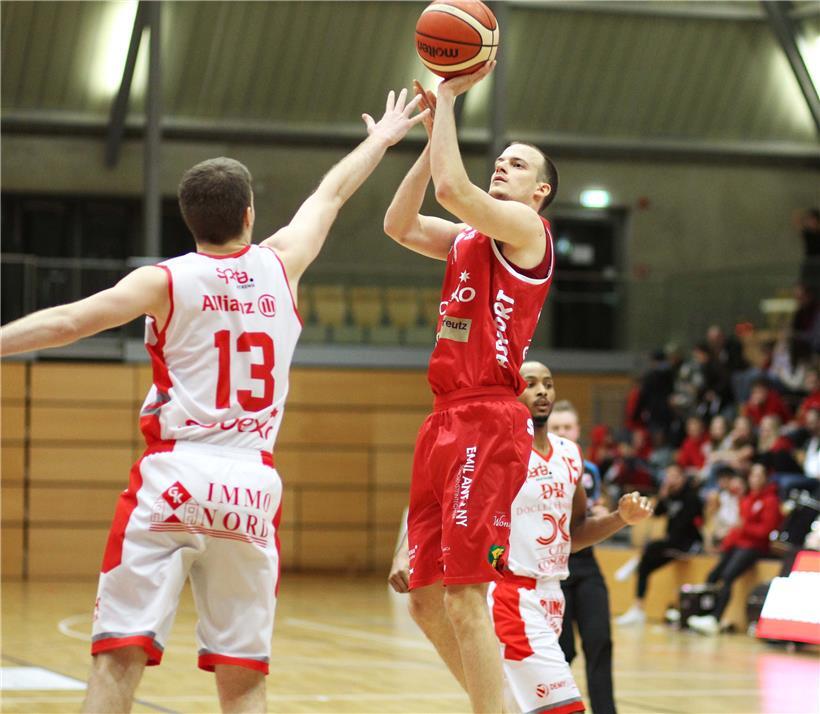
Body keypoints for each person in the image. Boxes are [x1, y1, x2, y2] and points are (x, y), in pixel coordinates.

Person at [0, 89, 428, 714]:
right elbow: (330, 194)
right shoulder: (282, 264)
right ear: (250, 214)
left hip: (176, 472)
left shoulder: (164, 280)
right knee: (243, 675)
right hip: (251, 484)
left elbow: (67, 321)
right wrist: (381, 138)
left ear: (189, 219)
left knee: (118, 658)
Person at [383, 62, 559, 712]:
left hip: (488, 419)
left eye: (517, 165)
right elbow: (399, 225)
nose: (502, 166)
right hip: (442, 420)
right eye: (502, 160)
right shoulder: (465, 238)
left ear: (539, 193)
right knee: (425, 599)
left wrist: (450, 99)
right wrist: (433, 137)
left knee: (462, 595)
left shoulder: (527, 233)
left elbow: (454, 190)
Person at [389, 362, 653, 714]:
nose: (542, 391)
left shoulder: (570, 455)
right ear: (511, 394)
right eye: (530, 384)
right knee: (562, 707)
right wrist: (405, 553)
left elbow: (572, 535)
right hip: (510, 594)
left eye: (548, 383)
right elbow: (438, 505)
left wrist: (621, 518)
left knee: (515, 708)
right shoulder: (492, 450)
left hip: (551, 595)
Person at [548, 400, 618, 714]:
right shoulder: (538, 466)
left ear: (577, 431)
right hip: (552, 567)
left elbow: (591, 511)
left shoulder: (588, 469)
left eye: (567, 427)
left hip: (587, 564)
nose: (563, 432)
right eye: (556, 427)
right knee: (561, 651)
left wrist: (605, 514)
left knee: (600, 640)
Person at [687, 463, 782, 635]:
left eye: (759, 476)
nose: (755, 479)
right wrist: (725, 545)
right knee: (712, 575)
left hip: (755, 546)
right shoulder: (747, 500)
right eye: (752, 475)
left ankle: (715, 619)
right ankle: (703, 614)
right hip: (738, 545)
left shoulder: (770, 501)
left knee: (727, 576)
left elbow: (765, 531)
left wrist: (744, 527)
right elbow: (737, 529)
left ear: (766, 479)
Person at [615, 463, 703, 626]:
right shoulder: (670, 495)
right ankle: (638, 609)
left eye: (674, 476)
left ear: (682, 478)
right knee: (645, 567)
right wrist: (663, 496)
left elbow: (687, 525)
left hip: (688, 542)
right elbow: (658, 513)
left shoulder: (691, 497)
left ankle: (636, 560)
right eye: (668, 476)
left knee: (652, 546)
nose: (670, 480)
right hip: (670, 544)